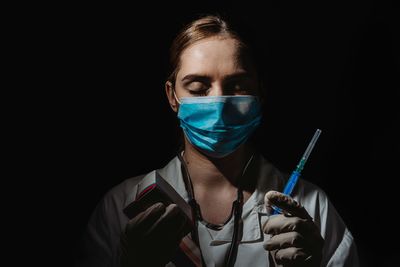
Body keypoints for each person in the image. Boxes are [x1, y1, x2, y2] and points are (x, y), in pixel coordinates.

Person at [75, 14, 359, 267]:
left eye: (238, 87)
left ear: (260, 93)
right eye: (198, 88)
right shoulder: (120, 206)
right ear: (172, 96)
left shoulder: (311, 208)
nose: (219, 104)